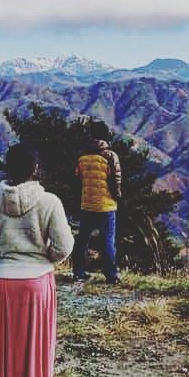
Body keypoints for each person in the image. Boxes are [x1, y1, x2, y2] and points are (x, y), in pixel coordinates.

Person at [0, 143, 74, 377]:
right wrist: (47, 256)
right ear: (35, 168)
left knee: (2, 351)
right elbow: (64, 246)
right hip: (37, 282)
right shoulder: (50, 202)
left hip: (4, 281)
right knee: (34, 352)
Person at [72, 120, 122, 283]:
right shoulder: (110, 156)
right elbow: (116, 179)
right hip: (106, 206)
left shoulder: (82, 157)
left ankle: (79, 272)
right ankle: (111, 275)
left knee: (82, 239)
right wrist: (117, 196)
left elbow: (78, 179)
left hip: (87, 204)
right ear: (106, 136)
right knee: (108, 240)